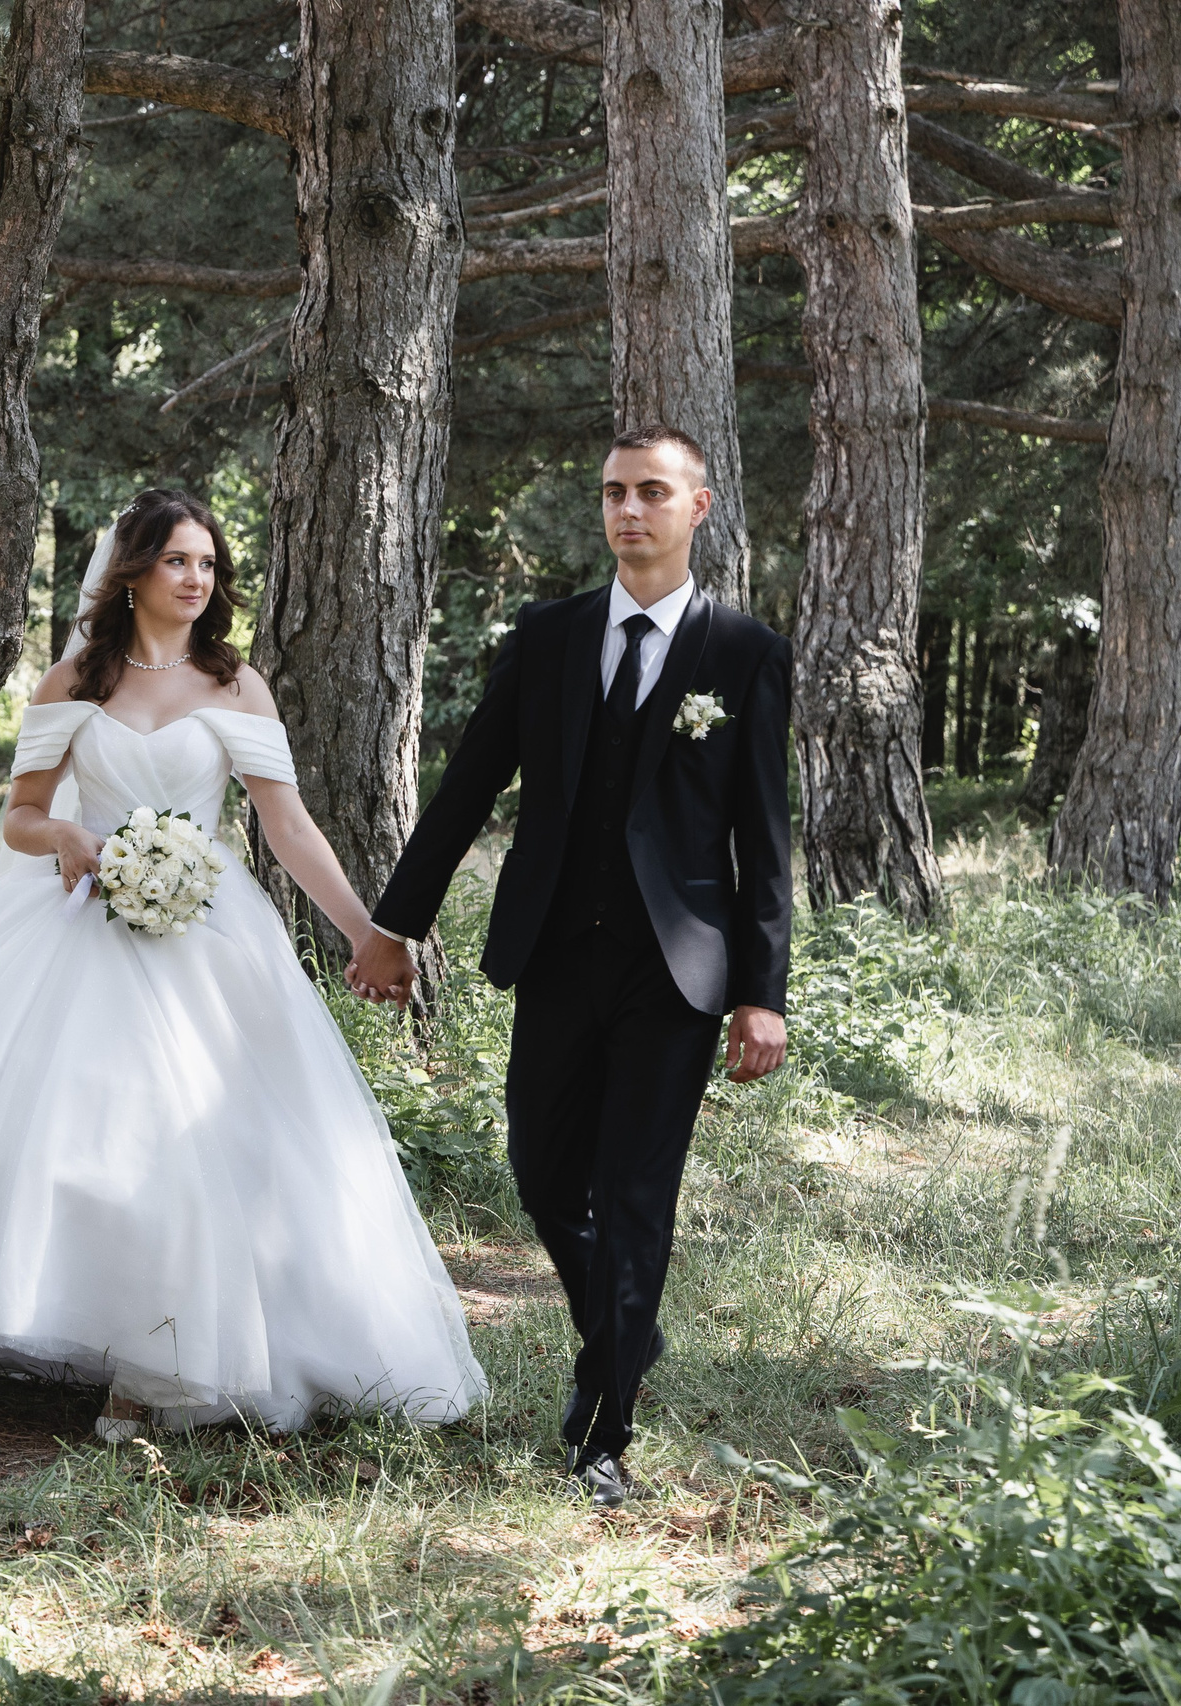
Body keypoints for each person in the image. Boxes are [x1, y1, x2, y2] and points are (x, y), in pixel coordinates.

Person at [0, 490, 487, 1439]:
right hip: (76, 920)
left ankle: (171, 1365)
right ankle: (85, 1322)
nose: (197, 581)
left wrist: (364, 933)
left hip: (207, 932)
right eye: (178, 562)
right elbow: (18, 816)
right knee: (68, 1136)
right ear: (133, 572)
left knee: (205, 1140)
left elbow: (285, 822)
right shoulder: (72, 681)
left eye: (208, 565)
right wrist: (66, 832)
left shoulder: (236, 686)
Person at [347, 426, 791, 1509]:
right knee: (546, 1177)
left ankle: (600, 1433)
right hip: (551, 951)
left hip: (676, 970)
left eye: (649, 491)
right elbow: (463, 791)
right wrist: (391, 924)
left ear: (698, 506)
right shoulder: (545, 636)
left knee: (636, 1195)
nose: (626, 509)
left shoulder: (743, 652)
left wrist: (760, 992)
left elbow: (764, 836)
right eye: (611, 492)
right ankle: (625, 1324)